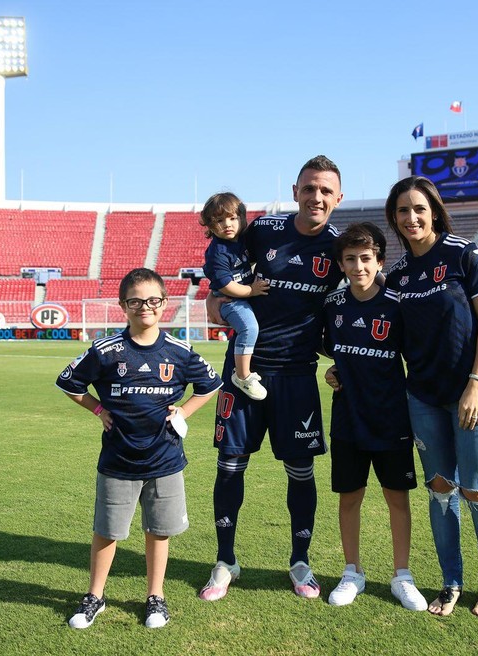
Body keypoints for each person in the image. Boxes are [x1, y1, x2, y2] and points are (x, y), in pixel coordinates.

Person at [199, 155, 345, 601]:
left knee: (300, 471)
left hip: (299, 375)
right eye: (309, 188)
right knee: (229, 466)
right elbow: (221, 271)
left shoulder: (340, 248)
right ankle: (225, 561)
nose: (316, 197)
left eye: (325, 190)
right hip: (245, 371)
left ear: (337, 198)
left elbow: (356, 300)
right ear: (296, 190)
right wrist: (215, 301)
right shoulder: (263, 230)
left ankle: (300, 562)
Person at [56, 267, 222, 629]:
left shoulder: (180, 351)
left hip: (165, 459)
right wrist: (98, 409)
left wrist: (185, 410)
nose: (144, 307)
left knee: (157, 531)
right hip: (118, 459)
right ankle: (95, 597)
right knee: (107, 530)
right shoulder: (105, 351)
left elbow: (210, 384)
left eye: (152, 300)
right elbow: (68, 382)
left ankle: (155, 598)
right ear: (123, 306)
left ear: (164, 304)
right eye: (135, 301)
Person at [383, 176, 478, 618]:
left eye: (418, 208)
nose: (411, 218)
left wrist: (475, 383)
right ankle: (451, 582)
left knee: (476, 488)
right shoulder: (395, 275)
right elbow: (388, 338)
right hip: (424, 396)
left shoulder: (463, 253)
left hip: (475, 388)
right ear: (393, 219)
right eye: (402, 211)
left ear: (434, 210)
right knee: (439, 490)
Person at [321, 222, 427, 611]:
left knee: (396, 497)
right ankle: (352, 572)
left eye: (366, 258)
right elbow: (333, 353)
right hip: (348, 417)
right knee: (350, 497)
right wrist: (332, 372)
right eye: (350, 259)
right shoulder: (332, 306)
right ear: (341, 263)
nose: (359, 266)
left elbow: (414, 357)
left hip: (391, 418)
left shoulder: (397, 304)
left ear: (379, 260)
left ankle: (403, 575)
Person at [200, 192, 271, 401]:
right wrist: (252, 290)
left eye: (232, 218)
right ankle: (242, 375)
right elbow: (226, 285)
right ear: (211, 227)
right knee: (249, 328)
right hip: (231, 299)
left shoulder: (241, 240)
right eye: (219, 221)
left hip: (240, 296)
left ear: (241, 218)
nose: (227, 224)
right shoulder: (218, 251)